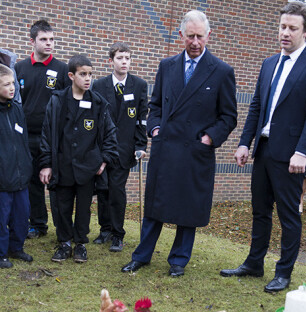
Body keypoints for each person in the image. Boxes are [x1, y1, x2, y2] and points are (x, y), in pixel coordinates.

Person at [220, 1, 306, 293]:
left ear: (305, 31)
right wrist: (245, 143)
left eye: (292, 28)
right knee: (260, 210)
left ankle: (284, 272)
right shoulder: (269, 62)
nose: (285, 33)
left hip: (292, 154)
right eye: (282, 26)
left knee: (288, 216)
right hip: (265, 150)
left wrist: (303, 151)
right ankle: (254, 264)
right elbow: (256, 106)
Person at [121, 10, 237, 277]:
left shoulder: (221, 71)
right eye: (190, 36)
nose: (195, 42)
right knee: (154, 206)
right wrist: (155, 129)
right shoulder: (167, 66)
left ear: (208, 36)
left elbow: (229, 116)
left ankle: (178, 260)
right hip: (166, 148)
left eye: (200, 36)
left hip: (196, 151)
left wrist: (209, 138)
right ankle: (142, 255)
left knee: (189, 207)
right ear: (181, 35)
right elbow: (156, 105)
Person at [39, 55, 118, 263]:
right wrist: (46, 164)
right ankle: (64, 242)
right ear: (71, 76)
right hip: (62, 165)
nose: (88, 78)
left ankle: (81, 243)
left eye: (90, 74)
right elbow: (47, 134)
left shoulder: (98, 103)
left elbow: (110, 134)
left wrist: (103, 160)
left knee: (84, 208)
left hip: (87, 167)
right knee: (62, 206)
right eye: (83, 74)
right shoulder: (57, 102)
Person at [15, 20, 70, 239]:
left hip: (53, 138)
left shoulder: (62, 69)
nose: (49, 44)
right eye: (44, 39)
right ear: (32, 41)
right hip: (25, 137)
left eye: (52, 39)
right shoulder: (19, 68)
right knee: (32, 183)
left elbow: (68, 104)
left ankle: (63, 229)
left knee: (55, 183)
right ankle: (37, 224)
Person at [92, 42, 148, 252]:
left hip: (125, 150)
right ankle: (105, 229)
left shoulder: (139, 85)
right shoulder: (99, 85)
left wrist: (141, 144)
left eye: (127, 58)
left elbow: (142, 118)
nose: (124, 62)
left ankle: (118, 234)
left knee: (117, 190)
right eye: (120, 58)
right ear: (111, 61)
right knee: (103, 189)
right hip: (103, 150)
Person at [0, 65, 33, 268]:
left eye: (13, 83)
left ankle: (16, 248)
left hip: (21, 176)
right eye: (6, 84)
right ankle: (1, 253)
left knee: (21, 215)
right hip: (2, 179)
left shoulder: (17, 109)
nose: (12, 88)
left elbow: (24, 140)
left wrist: (27, 164)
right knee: (2, 219)